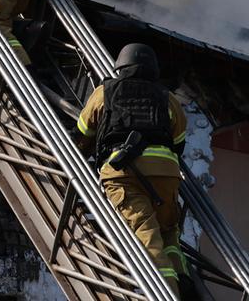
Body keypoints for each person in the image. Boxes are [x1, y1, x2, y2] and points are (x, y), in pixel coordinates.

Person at [77, 43, 188, 290]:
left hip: (124, 176)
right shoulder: (167, 98)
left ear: (120, 66)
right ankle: (184, 280)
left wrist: (85, 151)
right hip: (166, 176)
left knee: (147, 236)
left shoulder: (105, 91)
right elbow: (179, 142)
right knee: (168, 232)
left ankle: (168, 293)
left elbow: (83, 131)